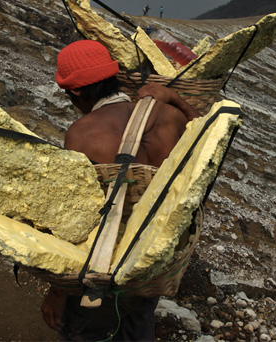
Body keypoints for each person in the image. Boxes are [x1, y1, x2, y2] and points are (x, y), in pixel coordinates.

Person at [41, 40, 200, 341]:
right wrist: (175, 99)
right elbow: (208, 137)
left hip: (103, 268)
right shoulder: (170, 116)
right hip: (151, 260)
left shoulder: (83, 133)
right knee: (136, 328)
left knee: (85, 332)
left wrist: (58, 291)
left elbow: (79, 218)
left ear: (74, 91)